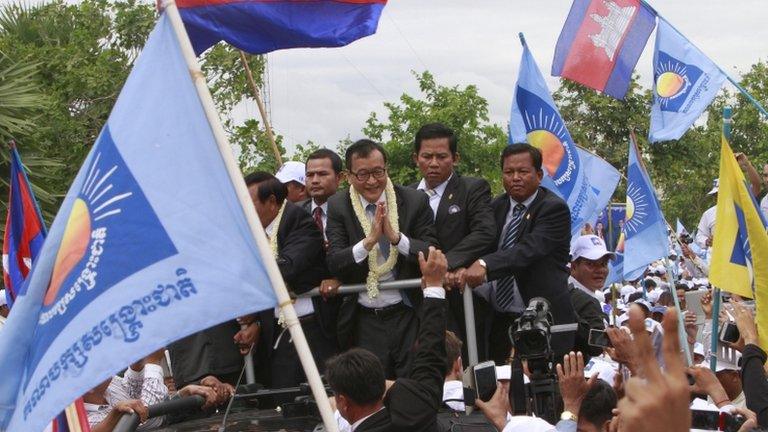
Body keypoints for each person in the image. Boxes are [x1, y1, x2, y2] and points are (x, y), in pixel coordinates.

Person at [326, 139, 437, 378]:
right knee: (372, 389)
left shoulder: (413, 200)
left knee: (414, 384)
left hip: (407, 312)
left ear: (387, 169)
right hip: (365, 318)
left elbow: (431, 251)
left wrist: (396, 238)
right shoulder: (338, 205)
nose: (372, 181)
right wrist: (368, 242)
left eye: (378, 172)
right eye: (363, 174)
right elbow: (334, 260)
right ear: (348, 176)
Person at [464, 143, 576, 364]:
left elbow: (526, 251)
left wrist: (484, 264)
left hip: (540, 321)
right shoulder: (495, 207)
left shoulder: (554, 209)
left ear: (539, 174)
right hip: (498, 320)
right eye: (509, 172)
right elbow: (478, 243)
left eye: (523, 171)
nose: (515, 177)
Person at [327, 247, 448, 432]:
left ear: (342, 403)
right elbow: (430, 356)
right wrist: (434, 287)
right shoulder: (419, 408)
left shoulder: (420, 403)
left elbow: (430, 359)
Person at [235, 172, 333, 389]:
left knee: (318, 399)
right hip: (277, 331)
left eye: (248, 202)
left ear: (271, 202)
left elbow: (286, 267)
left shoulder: (300, 222)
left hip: (311, 329)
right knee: (284, 400)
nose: (243, 209)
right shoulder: (252, 231)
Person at [409, 122, 496, 360]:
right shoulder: (403, 195)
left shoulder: (473, 188)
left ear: (455, 158)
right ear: (416, 158)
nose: (434, 163)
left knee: (466, 367)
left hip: (460, 298)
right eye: (427, 156)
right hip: (415, 300)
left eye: (441, 156)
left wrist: (444, 265)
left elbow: (485, 232)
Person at [568, 235, 612, 359]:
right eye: (591, 264)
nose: (600, 270)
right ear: (574, 266)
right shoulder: (586, 301)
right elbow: (597, 348)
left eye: (603, 264)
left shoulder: (566, 292)